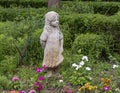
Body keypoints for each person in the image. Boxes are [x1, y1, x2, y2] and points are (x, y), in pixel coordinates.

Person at [40, 11, 64, 77]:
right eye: (54, 20)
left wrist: (61, 47)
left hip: (57, 49)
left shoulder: (57, 30)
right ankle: (49, 72)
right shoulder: (47, 31)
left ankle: (57, 72)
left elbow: (61, 38)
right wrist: (44, 47)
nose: (57, 21)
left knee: (58, 60)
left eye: (57, 20)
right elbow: (42, 40)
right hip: (49, 50)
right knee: (49, 61)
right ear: (49, 21)